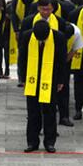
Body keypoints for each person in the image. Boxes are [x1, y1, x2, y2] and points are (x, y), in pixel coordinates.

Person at [19, 21, 68, 153]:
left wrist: (61, 80)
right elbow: (22, 58)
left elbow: (62, 61)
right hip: (32, 78)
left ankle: (50, 142)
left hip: (51, 78)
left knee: (50, 112)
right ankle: (32, 142)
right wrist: (22, 78)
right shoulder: (27, 36)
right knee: (33, 112)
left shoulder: (59, 37)